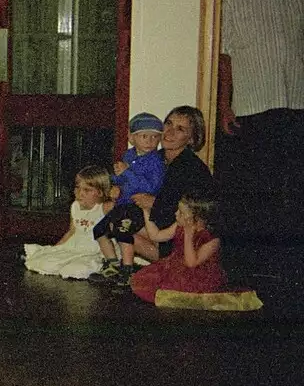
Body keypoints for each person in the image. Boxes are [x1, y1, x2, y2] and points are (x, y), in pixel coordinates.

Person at [217, 0, 303, 231]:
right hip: (254, 102)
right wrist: (224, 105)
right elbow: (225, 53)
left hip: (295, 99)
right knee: (258, 181)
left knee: (293, 180)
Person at [131, 106, 216, 271]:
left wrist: (156, 204)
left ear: (191, 139)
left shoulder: (191, 168)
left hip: (184, 233)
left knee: (123, 222)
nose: (169, 132)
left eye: (180, 129)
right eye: (168, 123)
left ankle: (171, 265)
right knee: (116, 215)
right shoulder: (156, 157)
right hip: (160, 223)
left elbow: (196, 213)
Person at [90, 112, 165, 280]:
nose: (149, 141)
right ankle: (112, 264)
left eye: (154, 137)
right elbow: (121, 178)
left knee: (123, 232)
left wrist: (127, 172)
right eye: (144, 136)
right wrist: (115, 185)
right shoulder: (129, 156)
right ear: (132, 138)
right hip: (122, 204)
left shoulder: (155, 162)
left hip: (137, 207)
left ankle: (127, 268)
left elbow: (151, 187)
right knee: (100, 230)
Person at [130, 192, 226, 303]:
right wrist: (146, 211)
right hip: (176, 265)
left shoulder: (212, 239)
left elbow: (191, 263)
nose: (175, 214)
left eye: (180, 213)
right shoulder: (179, 225)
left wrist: (188, 236)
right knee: (142, 281)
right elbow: (156, 236)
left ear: (195, 218)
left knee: (171, 289)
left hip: (196, 275)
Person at [24, 166, 112, 279]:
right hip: (74, 247)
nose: (80, 193)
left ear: (100, 192)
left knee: (74, 270)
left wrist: (114, 194)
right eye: (77, 188)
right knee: (43, 263)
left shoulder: (104, 207)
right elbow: (71, 232)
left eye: (87, 190)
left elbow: (119, 205)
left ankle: (100, 267)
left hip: (94, 250)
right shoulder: (75, 206)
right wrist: (54, 249)